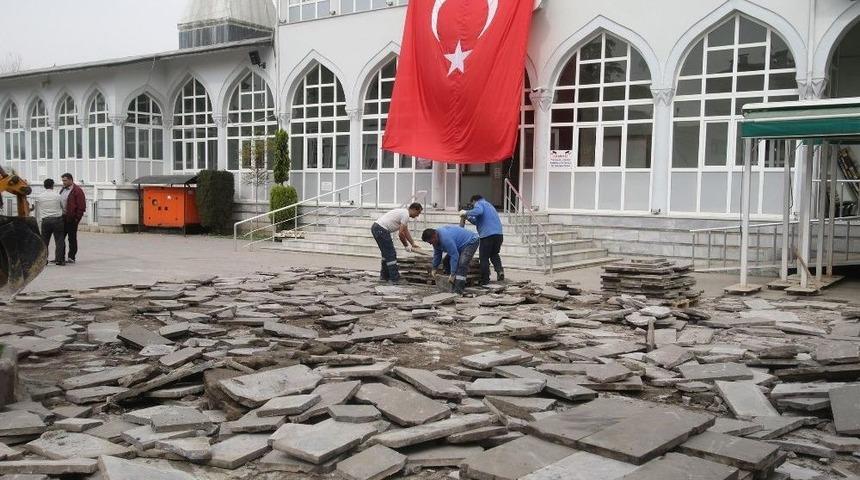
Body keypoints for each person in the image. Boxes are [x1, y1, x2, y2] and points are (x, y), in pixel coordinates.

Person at [371, 202, 423, 284]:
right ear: (413, 209)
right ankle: (395, 279)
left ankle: (384, 276)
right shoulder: (405, 215)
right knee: (391, 254)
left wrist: (412, 243)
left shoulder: (404, 213)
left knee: (386, 254)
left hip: (377, 228)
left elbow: (405, 231)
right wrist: (406, 246)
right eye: (418, 212)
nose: (417, 215)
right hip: (381, 229)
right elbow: (401, 234)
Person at [460, 194, 504, 285]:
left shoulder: (479, 204)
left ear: (474, 201)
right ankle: (500, 271)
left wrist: (466, 213)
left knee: (484, 258)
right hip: (498, 235)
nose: (473, 206)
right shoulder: (490, 205)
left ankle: (485, 279)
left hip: (487, 236)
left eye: (472, 204)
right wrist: (468, 217)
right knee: (494, 254)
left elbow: (478, 211)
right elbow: (477, 221)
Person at [422, 226, 479, 294]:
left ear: (434, 236)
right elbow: (437, 255)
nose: (430, 244)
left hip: (470, 241)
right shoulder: (436, 240)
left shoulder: (445, 239)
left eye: (430, 241)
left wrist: (453, 273)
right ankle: (452, 284)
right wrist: (434, 268)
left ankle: (458, 291)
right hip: (459, 245)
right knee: (446, 261)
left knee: (462, 263)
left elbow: (454, 256)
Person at [32, 179, 65, 266]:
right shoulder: (58, 195)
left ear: (44, 185)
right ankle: (59, 260)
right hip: (57, 220)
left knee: (44, 241)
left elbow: (36, 208)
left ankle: (44, 260)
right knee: (59, 240)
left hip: (45, 221)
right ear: (52, 185)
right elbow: (63, 207)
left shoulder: (40, 196)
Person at [59, 173, 86, 264]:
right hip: (62, 217)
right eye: (63, 180)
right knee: (60, 238)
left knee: (72, 238)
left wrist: (76, 219)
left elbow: (81, 206)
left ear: (71, 180)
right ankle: (60, 257)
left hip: (72, 218)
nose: (63, 182)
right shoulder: (62, 189)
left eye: (65, 180)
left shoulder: (77, 191)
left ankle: (71, 257)